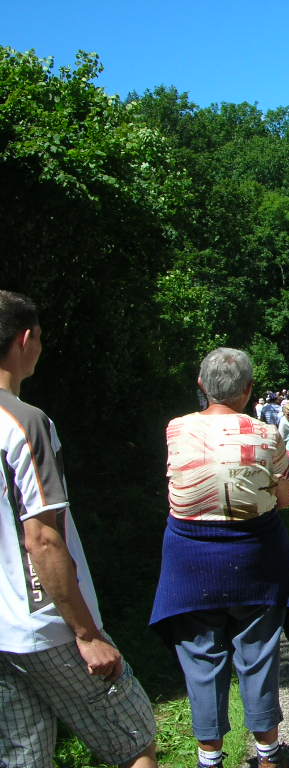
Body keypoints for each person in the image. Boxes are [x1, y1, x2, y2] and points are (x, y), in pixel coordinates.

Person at [0, 291, 158, 768]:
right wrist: (86, 633)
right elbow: (43, 538)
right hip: (45, 626)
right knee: (135, 742)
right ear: (26, 339)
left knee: (24, 758)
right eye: (41, 338)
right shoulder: (26, 423)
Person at [150, 348, 289, 768]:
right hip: (255, 558)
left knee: (201, 660)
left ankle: (210, 758)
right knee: (257, 654)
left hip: (190, 561)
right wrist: (285, 486)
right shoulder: (267, 435)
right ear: (248, 391)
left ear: (202, 386)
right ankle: (269, 754)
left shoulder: (175, 429)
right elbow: (284, 500)